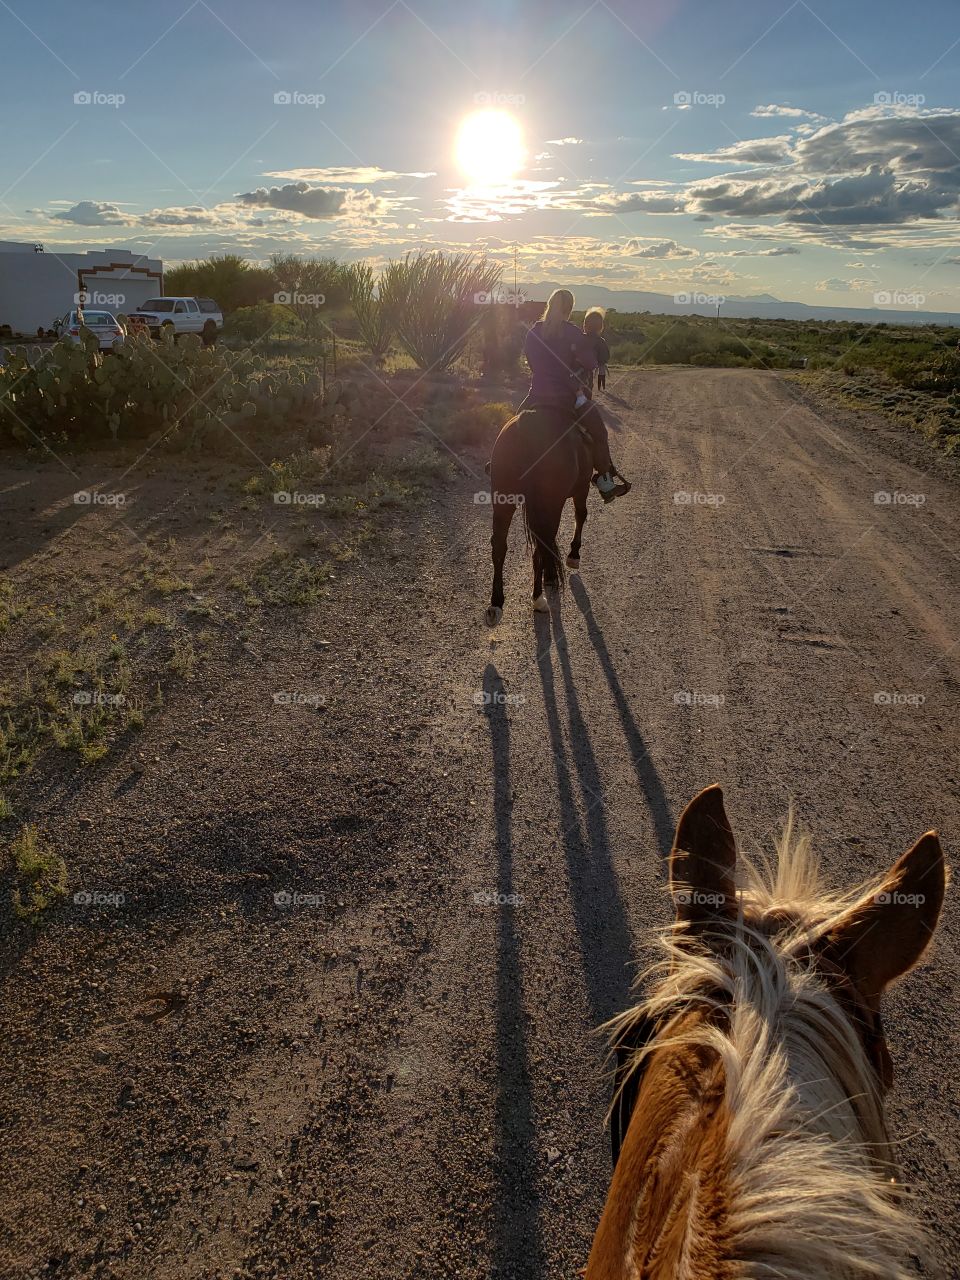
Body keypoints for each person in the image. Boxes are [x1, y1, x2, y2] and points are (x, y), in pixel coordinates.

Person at [519, 289, 630, 503]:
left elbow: (532, 363)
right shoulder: (573, 333)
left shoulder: (534, 331)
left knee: (513, 423)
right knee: (598, 431)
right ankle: (606, 483)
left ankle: (496, 466)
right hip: (569, 396)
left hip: (537, 394)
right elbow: (590, 363)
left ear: (549, 305)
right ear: (569, 309)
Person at [582, 307, 609, 391]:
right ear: (601, 327)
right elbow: (605, 357)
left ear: (585, 325)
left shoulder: (578, 338)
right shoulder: (600, 341)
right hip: (588, 372)